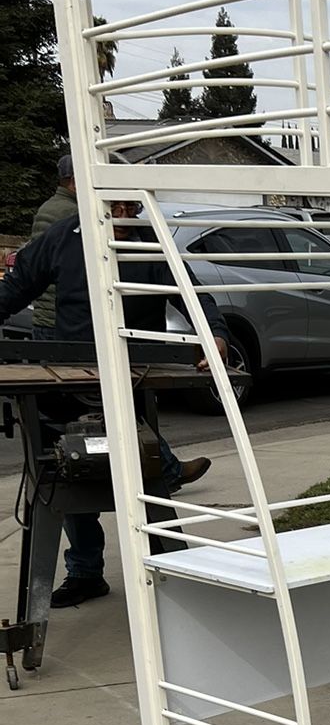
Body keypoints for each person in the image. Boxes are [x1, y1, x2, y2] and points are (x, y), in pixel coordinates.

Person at [0, 202, 223, 605]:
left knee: (144, 469)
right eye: (109, 206)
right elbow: (16, 287)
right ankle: (85, 571)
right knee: (65, 471)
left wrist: (215, 335)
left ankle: (173, 575)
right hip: (71, 374)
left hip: (133, 373)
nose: (119, 214)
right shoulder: (63, 237)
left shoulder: (148, 244)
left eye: (126, 207)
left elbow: (191, 294)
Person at [28, 153, 79, 333]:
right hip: (59, 315)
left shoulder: (50, 206)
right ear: (75, 181)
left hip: (44, 311)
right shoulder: (73, 213)